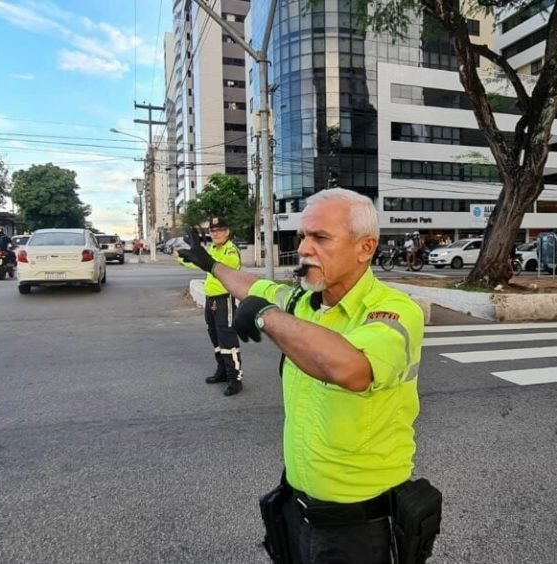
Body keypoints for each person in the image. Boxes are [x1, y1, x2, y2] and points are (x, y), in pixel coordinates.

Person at [179, 189, 438, 563]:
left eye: (321, 238)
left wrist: (266, 316)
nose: (303, 248)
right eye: (302, 237)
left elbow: (351, 368)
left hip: (359, 525)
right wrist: (210, 264)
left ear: (365, 248)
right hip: (296, 506)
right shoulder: (303, 302)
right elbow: (250, 287)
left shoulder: (394, 311)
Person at [177, 217, 245, 396]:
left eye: (220, 230)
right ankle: (222, 370)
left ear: (227, 232)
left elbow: (219, 265)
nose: (216, 234)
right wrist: (182, 257)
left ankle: (235, 378)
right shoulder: (212, 249)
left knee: (227, 338)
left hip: (224, 298)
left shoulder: (231, 250)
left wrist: (201, 257)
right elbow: (199, 262)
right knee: (215, 336)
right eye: (213, 231)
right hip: (211, 299)